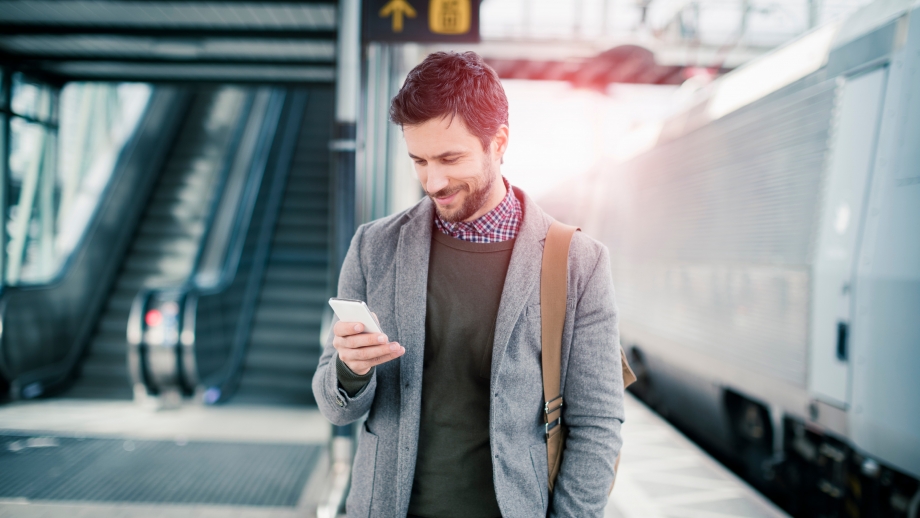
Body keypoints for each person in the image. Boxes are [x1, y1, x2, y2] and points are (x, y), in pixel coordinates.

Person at [312, 51, 625, 518]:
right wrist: (350, 369)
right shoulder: (374, 247)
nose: (432, 181)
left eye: (449, 158)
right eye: (418, 160)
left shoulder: (579, 263)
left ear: (498, 142)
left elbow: (597, 423)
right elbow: (336, 408)